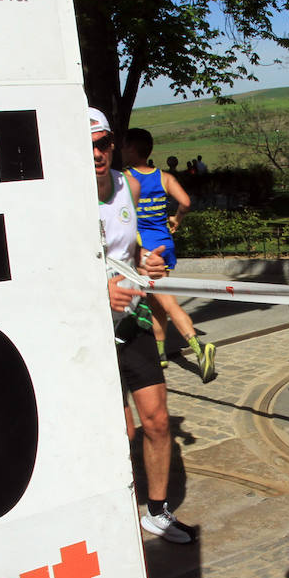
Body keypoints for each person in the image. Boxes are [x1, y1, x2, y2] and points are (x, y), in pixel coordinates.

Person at [91, 108, 193, 544]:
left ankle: (157, 512)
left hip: (132, 321)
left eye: (104, 143)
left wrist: (146, 262)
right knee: (121, 430)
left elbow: (131, 250)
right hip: (89, 329)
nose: (97, 152)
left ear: (114, 145)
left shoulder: (128, 185)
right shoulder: (58, 193)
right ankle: (109, 517)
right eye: (89, 144)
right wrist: (96, 293)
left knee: (156, 420)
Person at [123, 127, 217, 382]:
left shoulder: (125, 178)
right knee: (156, 303)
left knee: (167, 302)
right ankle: (160, 355)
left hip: (145, 248)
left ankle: (199, 347)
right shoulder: (164, 177)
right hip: (165, 242)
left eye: (124, 146)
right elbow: (185, 202)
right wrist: (177, 219)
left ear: (132, 149)